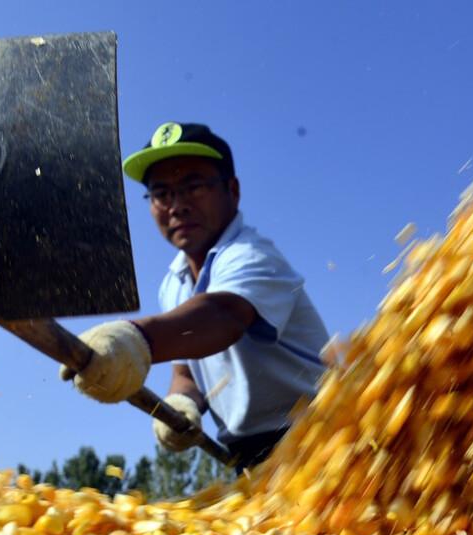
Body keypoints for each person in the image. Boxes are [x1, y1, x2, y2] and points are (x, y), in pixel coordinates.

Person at [61, 122, 330, 470]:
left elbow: (224, 317)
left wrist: (135, 339)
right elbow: (187, 373)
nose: (177, 206)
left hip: (319, 440)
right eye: (161, 193)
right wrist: (179, 404)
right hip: (248, 456)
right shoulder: (173, 284)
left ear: (232, 191)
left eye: (193, 187)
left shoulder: (251, 254)